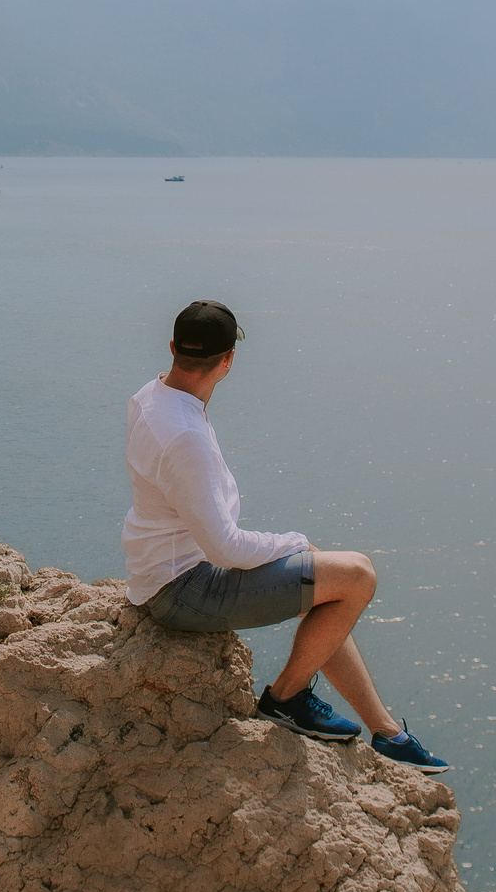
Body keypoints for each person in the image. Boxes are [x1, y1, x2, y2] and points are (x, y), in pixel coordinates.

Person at [123, 299, 446, 773]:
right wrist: (295, 542)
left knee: (329, 585)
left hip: (164, 572)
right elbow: (224, 547)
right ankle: (284, 699)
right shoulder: (185, 435)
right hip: (186, 589)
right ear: (228, 360)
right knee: (356, 576)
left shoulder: (151, 397)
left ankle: (386, 733)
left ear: (173, 347)